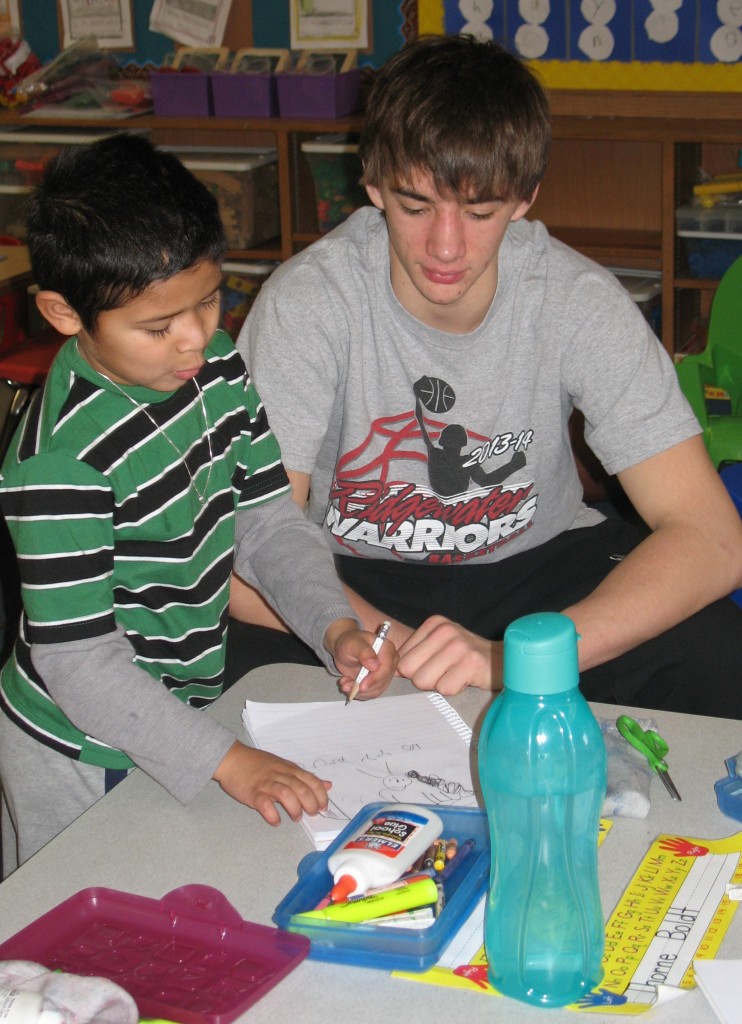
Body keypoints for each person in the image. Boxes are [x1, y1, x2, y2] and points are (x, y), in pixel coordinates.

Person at [229, 33, 742, 717]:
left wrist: (513, 660)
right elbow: (245, 550)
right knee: (198, 670)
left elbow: (711, 538)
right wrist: (392, 644)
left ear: (526, 197)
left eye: (479, 212)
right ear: (373, 184)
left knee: (722, 659)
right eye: (415, 207)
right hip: (341, 585)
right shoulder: (308, 302)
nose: (446, 246)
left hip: (538, 575)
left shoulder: (574, 300)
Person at [0, 134, 397, 877]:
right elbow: (80, 663)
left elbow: (269, 519)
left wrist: (333, 621)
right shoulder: (61, 462)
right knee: (71, 925)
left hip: (180, 708)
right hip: (75, 746)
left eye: (209, 300)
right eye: (158, 327)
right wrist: (228, 760)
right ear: (61, 312)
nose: (195, 338)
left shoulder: (213, 364)